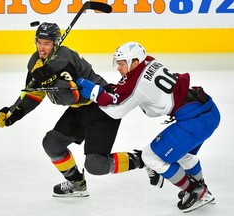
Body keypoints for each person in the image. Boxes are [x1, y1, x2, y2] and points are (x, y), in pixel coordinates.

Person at [0, 24, 145, 197]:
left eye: (47, 44)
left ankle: (145, 160)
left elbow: (72, 96)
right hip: (79, 109)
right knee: (52, 144)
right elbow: (33, 93)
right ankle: (77, 183)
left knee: (96, 165)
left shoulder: (63, 60)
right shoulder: (35, 62)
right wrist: (14, 113)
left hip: (102, 107)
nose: (42, 48)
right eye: (39, 42)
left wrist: (51, 80)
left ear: (56, 43)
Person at [76, 41, 221, 212]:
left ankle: (194, 190)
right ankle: (201, 187)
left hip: (193, 121)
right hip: (208, 110)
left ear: (135, 62)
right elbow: (140, 95)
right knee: (184, 155)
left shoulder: (137, 85)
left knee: (150, 156)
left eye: (122, 64)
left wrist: (96, 94)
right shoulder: (150, 61)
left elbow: (116, 111)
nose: (118, 68)